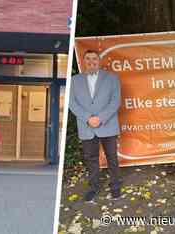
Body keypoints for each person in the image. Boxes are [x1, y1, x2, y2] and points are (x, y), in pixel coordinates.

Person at [69, 49, 122, 202]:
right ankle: (93, 187)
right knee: (91, 158)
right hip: (87, 127)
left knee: (112, 157)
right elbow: (72, 103)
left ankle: (115, 186)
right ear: (83, 61)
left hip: (107, 124)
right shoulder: (74, 80)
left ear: (99, 61)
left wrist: (100, 118)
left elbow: (115, 101)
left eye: (94, 58)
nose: (91, 61)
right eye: (88, 59)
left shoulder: (112, 78)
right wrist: (88, 118)